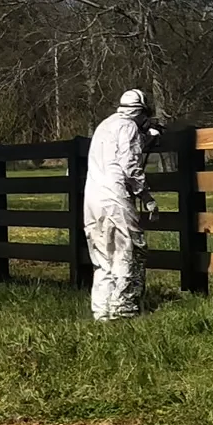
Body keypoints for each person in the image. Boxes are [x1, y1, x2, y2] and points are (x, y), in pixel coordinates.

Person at [84, 89, 157, 321]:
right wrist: (146, 196)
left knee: (103, 254)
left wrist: (145, 138)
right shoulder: (129, 127)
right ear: (141, 112)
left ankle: (102, 311)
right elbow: (130, 164)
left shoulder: (105, 125)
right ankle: (124, 309)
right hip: (116, 197)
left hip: (92, 198)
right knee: (130, 250)